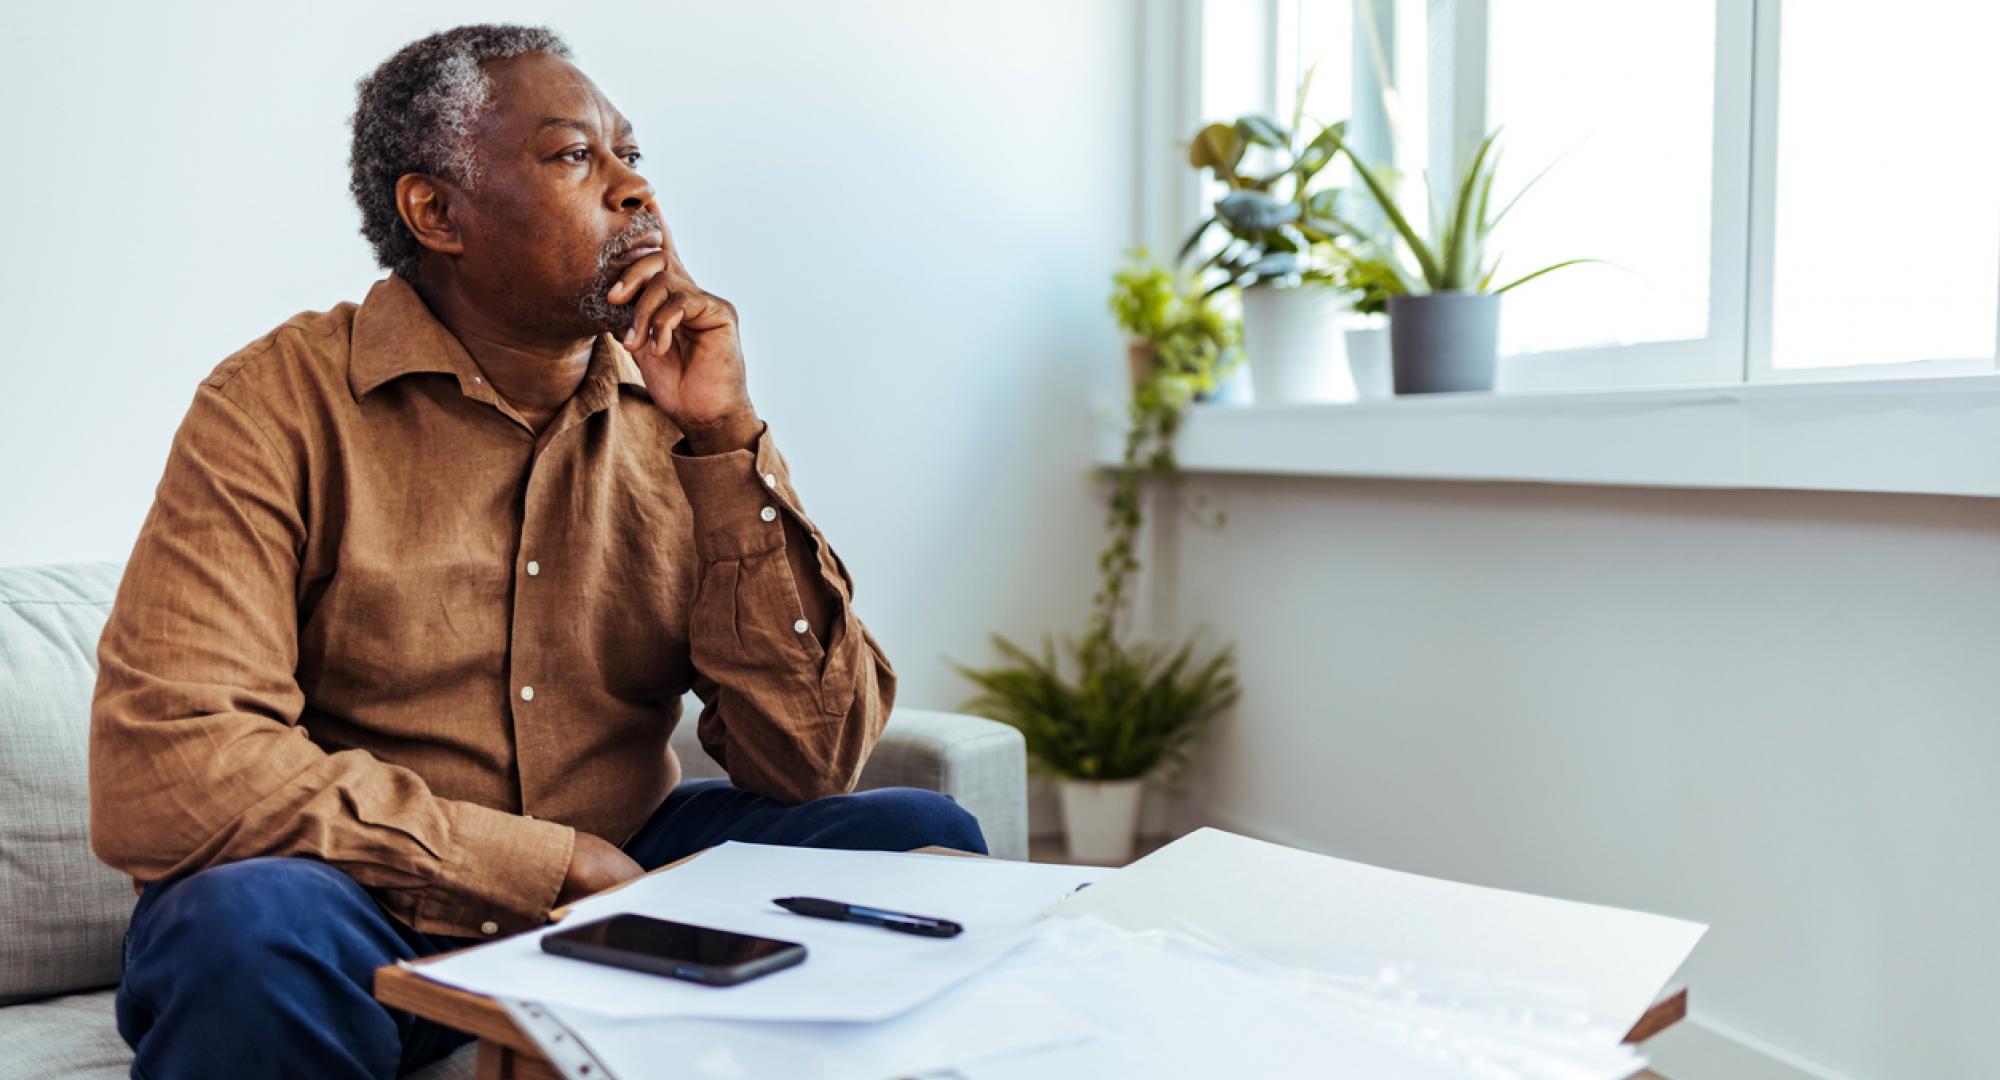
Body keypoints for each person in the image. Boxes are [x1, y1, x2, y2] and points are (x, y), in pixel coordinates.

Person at [87, 24, 983, 1079]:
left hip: (627, 886)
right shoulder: (275, 405)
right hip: (360, 907)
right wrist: (534, 864)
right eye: (572, 157)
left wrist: (727, 439)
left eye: (631, 156)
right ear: (436, 213)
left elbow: (810, 758)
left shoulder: (678, 417)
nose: (634, 192)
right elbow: (171, 767)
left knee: (922, 842)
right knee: (246, 926)